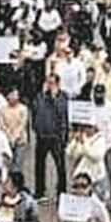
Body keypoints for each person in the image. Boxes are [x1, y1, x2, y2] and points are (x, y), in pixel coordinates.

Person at [33, 73, 69, 203]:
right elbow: (35, 110)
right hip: (42, 136)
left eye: (52, 83)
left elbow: (63, 113)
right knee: (39, 165)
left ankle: (61, 192)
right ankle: (39, 191)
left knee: (60, 167)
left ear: (58, 84)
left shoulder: (63, 97)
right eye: (48, 83)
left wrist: (54, 98)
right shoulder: (40, 97)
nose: (49, 86)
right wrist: (36, 128)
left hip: (56, 137)